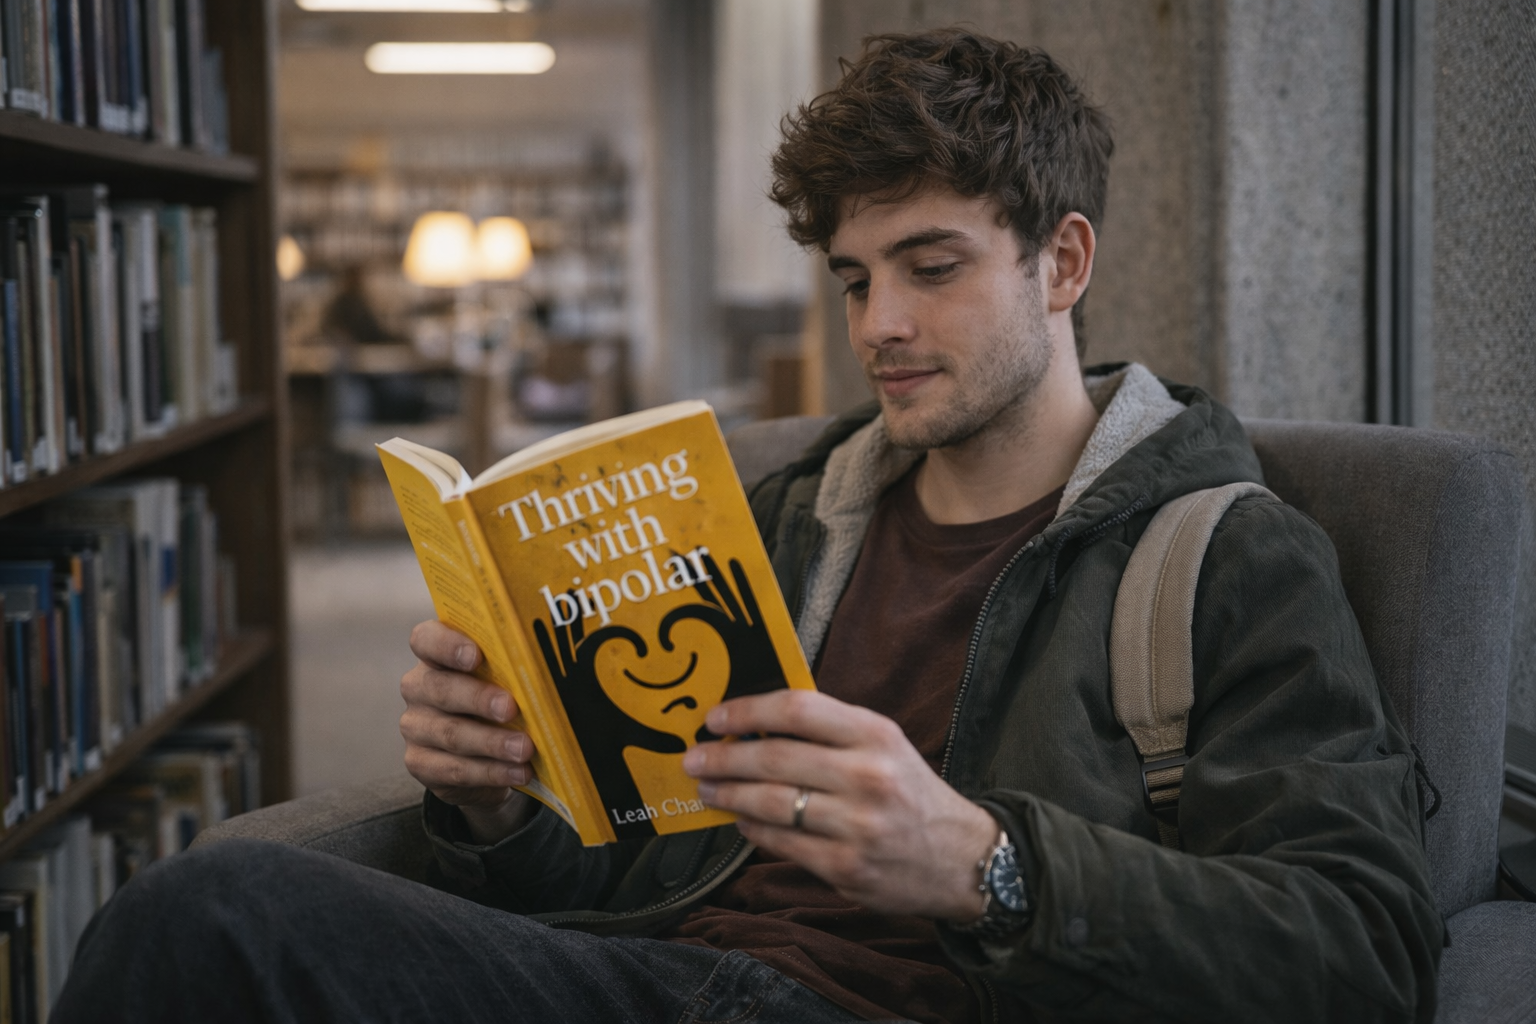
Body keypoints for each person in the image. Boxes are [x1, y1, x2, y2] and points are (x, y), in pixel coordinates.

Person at [55, 29, 1441, 1024]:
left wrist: (988, 867)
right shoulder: (786, 519)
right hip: (661, 977)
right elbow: (643, 861)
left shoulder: (1227, 554)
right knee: (211, 906)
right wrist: (490, 802)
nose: (877, 326)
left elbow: (1365, 953)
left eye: (931, 267)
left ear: (1062, 261)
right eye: (851, 277)